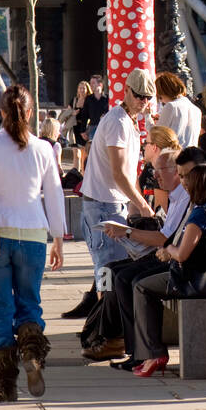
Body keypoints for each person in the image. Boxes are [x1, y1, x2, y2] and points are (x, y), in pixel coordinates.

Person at [0, 85, 66, 401]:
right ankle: (33, 354)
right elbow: (55, 194)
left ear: (1, 112)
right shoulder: (44, 149)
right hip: (34, 235)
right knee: (29, 302)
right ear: (30, 112)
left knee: (0, 307)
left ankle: (6, 385)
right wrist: (59, 239)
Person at [83, 147, 201, 366]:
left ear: (177, 171)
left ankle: (135, 349)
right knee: (109, 271)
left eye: (160, 170)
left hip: (173, 259)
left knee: (125, 278)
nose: (154, 176)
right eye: (153, 170)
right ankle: (112, 336)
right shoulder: (174, 197)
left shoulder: (183, 196)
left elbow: (164, 239)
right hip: (164, 254)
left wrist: (127, 232)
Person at [129, 163, 206, 376]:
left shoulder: (200, 214)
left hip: (201, 281)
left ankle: (154, 353)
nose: (185, 185)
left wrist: (167, 248)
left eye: (189, 181)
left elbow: (181, 254)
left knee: (142, 287)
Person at [74, 68, 157, 317]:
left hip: (110, 203)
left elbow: (125, 174)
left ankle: (106, 321)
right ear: (127, 91)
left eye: (148, 97)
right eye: (140, 96)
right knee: (107, 270)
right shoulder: (119, 122)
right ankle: (104, 323)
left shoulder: (127, 121)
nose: (144, 102)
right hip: (103, 205)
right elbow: (119, 173)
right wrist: (142, 204)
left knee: (111, 268)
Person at [155, 71, 201, 153]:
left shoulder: (171, 106)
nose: (161, 100)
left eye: (160, 97)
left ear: (164, 92)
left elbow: (155, 135)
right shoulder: (196, 110)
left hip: (174, 158)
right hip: (192, 158)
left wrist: (147, 115)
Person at [140, 125, 181, 212]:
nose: (143, 147)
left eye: (145, 143)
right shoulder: (149, 167)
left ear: (154, 147)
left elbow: (161, 214)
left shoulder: (164, 172)